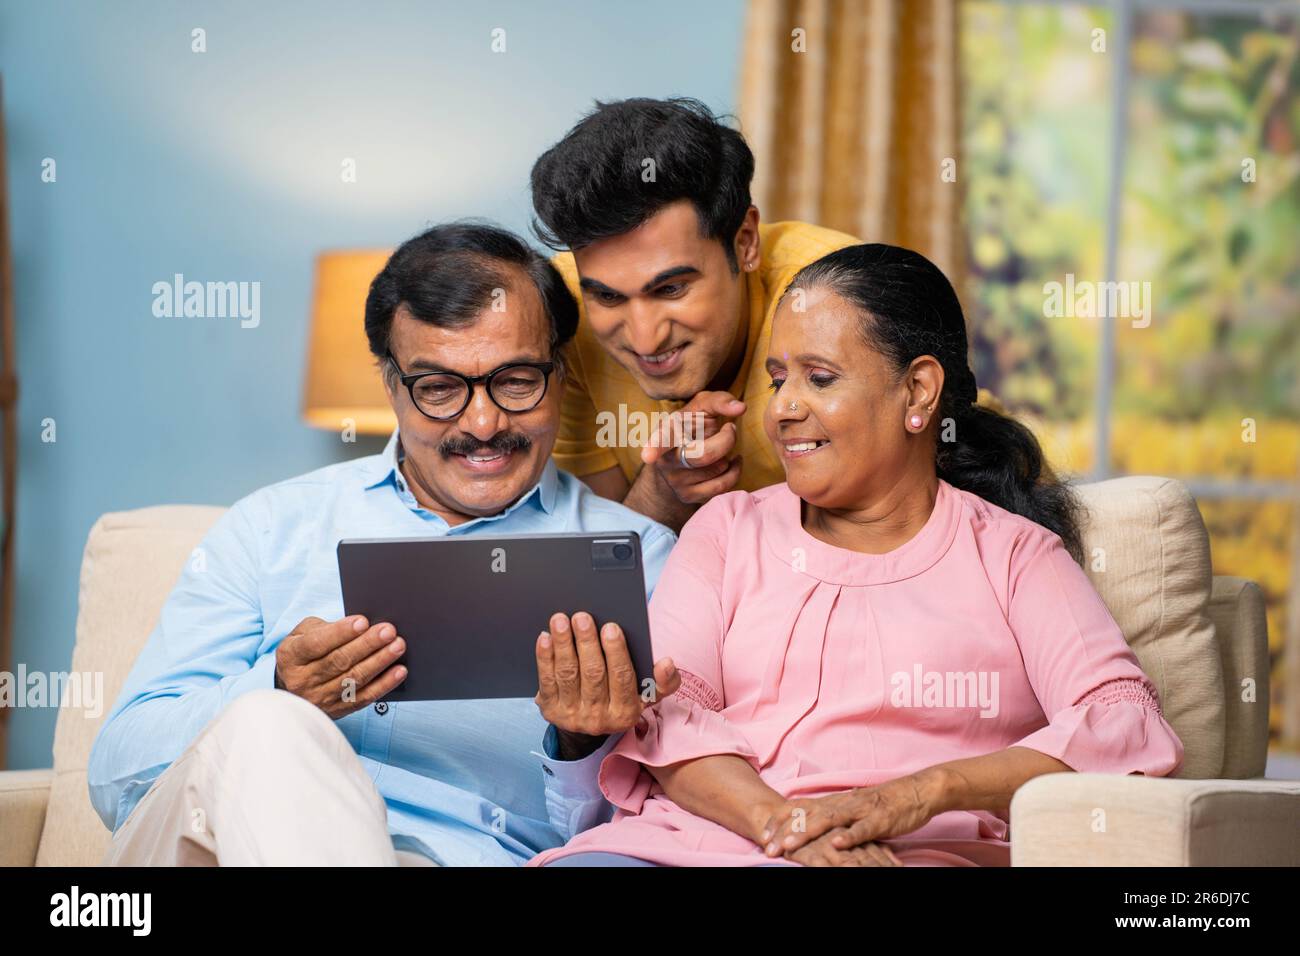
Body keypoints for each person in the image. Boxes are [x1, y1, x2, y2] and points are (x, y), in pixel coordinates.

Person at [530, 243, 1184, 867]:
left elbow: (1121, 725)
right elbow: (668, 718)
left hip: (898, 852)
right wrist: (781, 824)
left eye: (819, 378)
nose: (784, 408)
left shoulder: (1015, 556)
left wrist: (920, 794)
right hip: (685, 843)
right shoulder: (727, 531)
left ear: (919, 393)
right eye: (778, 379)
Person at [88, 222, 680, 866]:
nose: (482, 424)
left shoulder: (646, 563)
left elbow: (647, 833)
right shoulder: (271, 527)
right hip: (221, 843)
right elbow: (115, 773)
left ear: (561, 374)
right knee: (269, 724)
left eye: (514, 381)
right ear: (391, 383)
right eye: (439, 388)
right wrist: (280, 691)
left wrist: (579, 744)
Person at [530, 97, 859, 531]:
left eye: (671, 289)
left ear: (744, 242)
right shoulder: (560, 312)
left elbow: (901, 532)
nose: (646, 340)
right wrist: (664, 493)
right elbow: (604, 557)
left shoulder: (841, 302)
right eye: (609, 298)